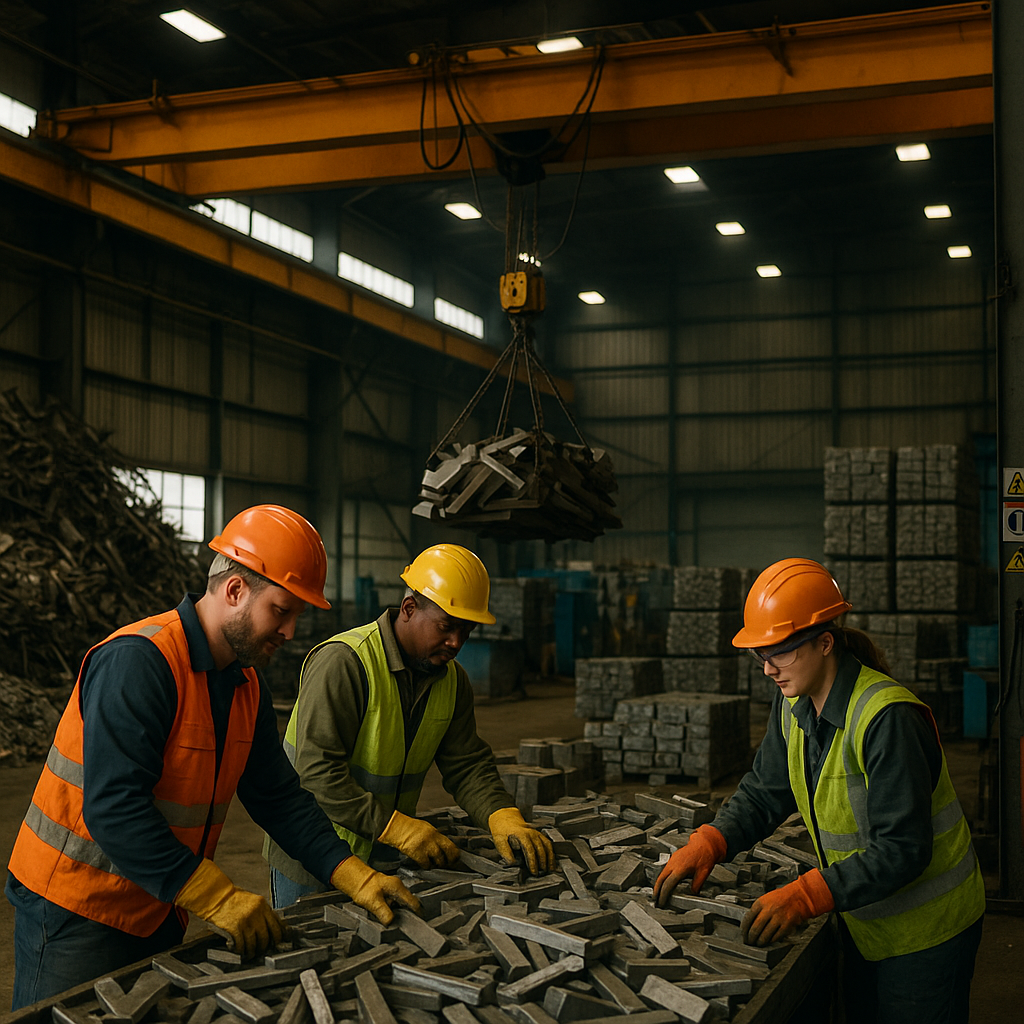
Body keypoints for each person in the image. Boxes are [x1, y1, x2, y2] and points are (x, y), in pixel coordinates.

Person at [6, 505, 419, 1010]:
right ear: (235, 591)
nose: (290, 632)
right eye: (282, 610)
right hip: (77, 907)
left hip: (160, 902)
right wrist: (217, 897)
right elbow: (114, 808)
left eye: (298, 616)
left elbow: (279, 799)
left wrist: (351, 872)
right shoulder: (140, 662)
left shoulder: (245, 686)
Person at [653, 557, 985, 1024]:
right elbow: (766, 790)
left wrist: (809, 895)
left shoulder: (887, 719)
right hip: (864, 919)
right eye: (760, 655)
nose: (768, 670)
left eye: (780, 653)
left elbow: (903, 849)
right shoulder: (793, 702)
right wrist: (713, 839)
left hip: (928, 932)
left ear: (825, 642)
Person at [264, 542, 555, 906]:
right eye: (447, 627)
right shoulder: (345, 663)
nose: (455, 643)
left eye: (466, 632)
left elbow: (466, 764)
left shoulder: (452, 681)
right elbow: (315, 773)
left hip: (384, 859)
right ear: (408, 608)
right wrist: (394, 828)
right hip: (314, 855)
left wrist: (500, 814)